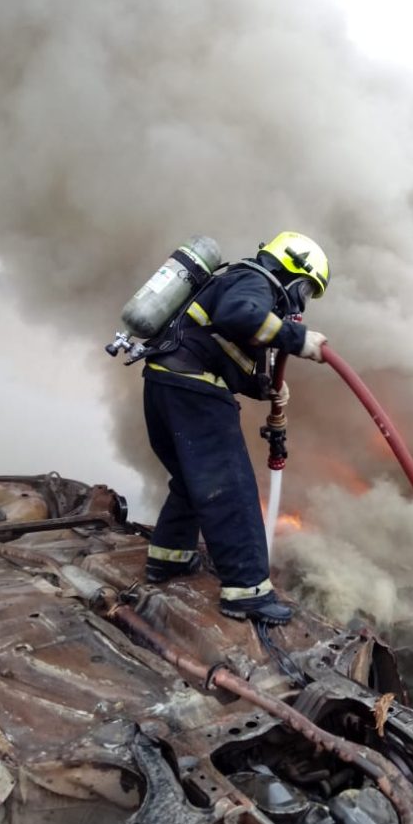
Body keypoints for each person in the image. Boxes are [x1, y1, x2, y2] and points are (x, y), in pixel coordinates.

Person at [142, 231, 329, 625]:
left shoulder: (236, 280)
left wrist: (267, 388)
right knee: (232, 489)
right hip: (195, 390)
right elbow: (238, 316)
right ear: (293, 270)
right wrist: (299, 339)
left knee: (190, 481)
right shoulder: (256, 281)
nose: (301, 302)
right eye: (306, 290)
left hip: (164, 383)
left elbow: (224, 348)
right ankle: (248, 592)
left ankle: (169, 558)